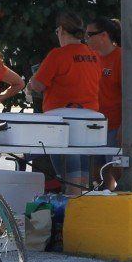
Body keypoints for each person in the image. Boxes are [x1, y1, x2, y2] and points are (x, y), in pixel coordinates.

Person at [28, 12, 101, 194]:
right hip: (89, 121)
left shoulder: (57, 55)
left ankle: (73, 213)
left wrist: (30, 84)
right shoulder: (93, 55)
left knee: (70, 175)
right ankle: (82, 208)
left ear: (61, 30)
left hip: (61, 121)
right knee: (83, 173)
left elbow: (37, 85)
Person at [86, 17, 123, 189]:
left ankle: (121, 203)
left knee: (117, 171)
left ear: (104, 35)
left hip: (114, 125)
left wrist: (124, 126)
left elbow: (129, 95)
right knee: (96, 174)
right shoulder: (90, 58)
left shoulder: (121, 57)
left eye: (89, 35)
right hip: (93, 126)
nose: (86, 39)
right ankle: (105, 203)